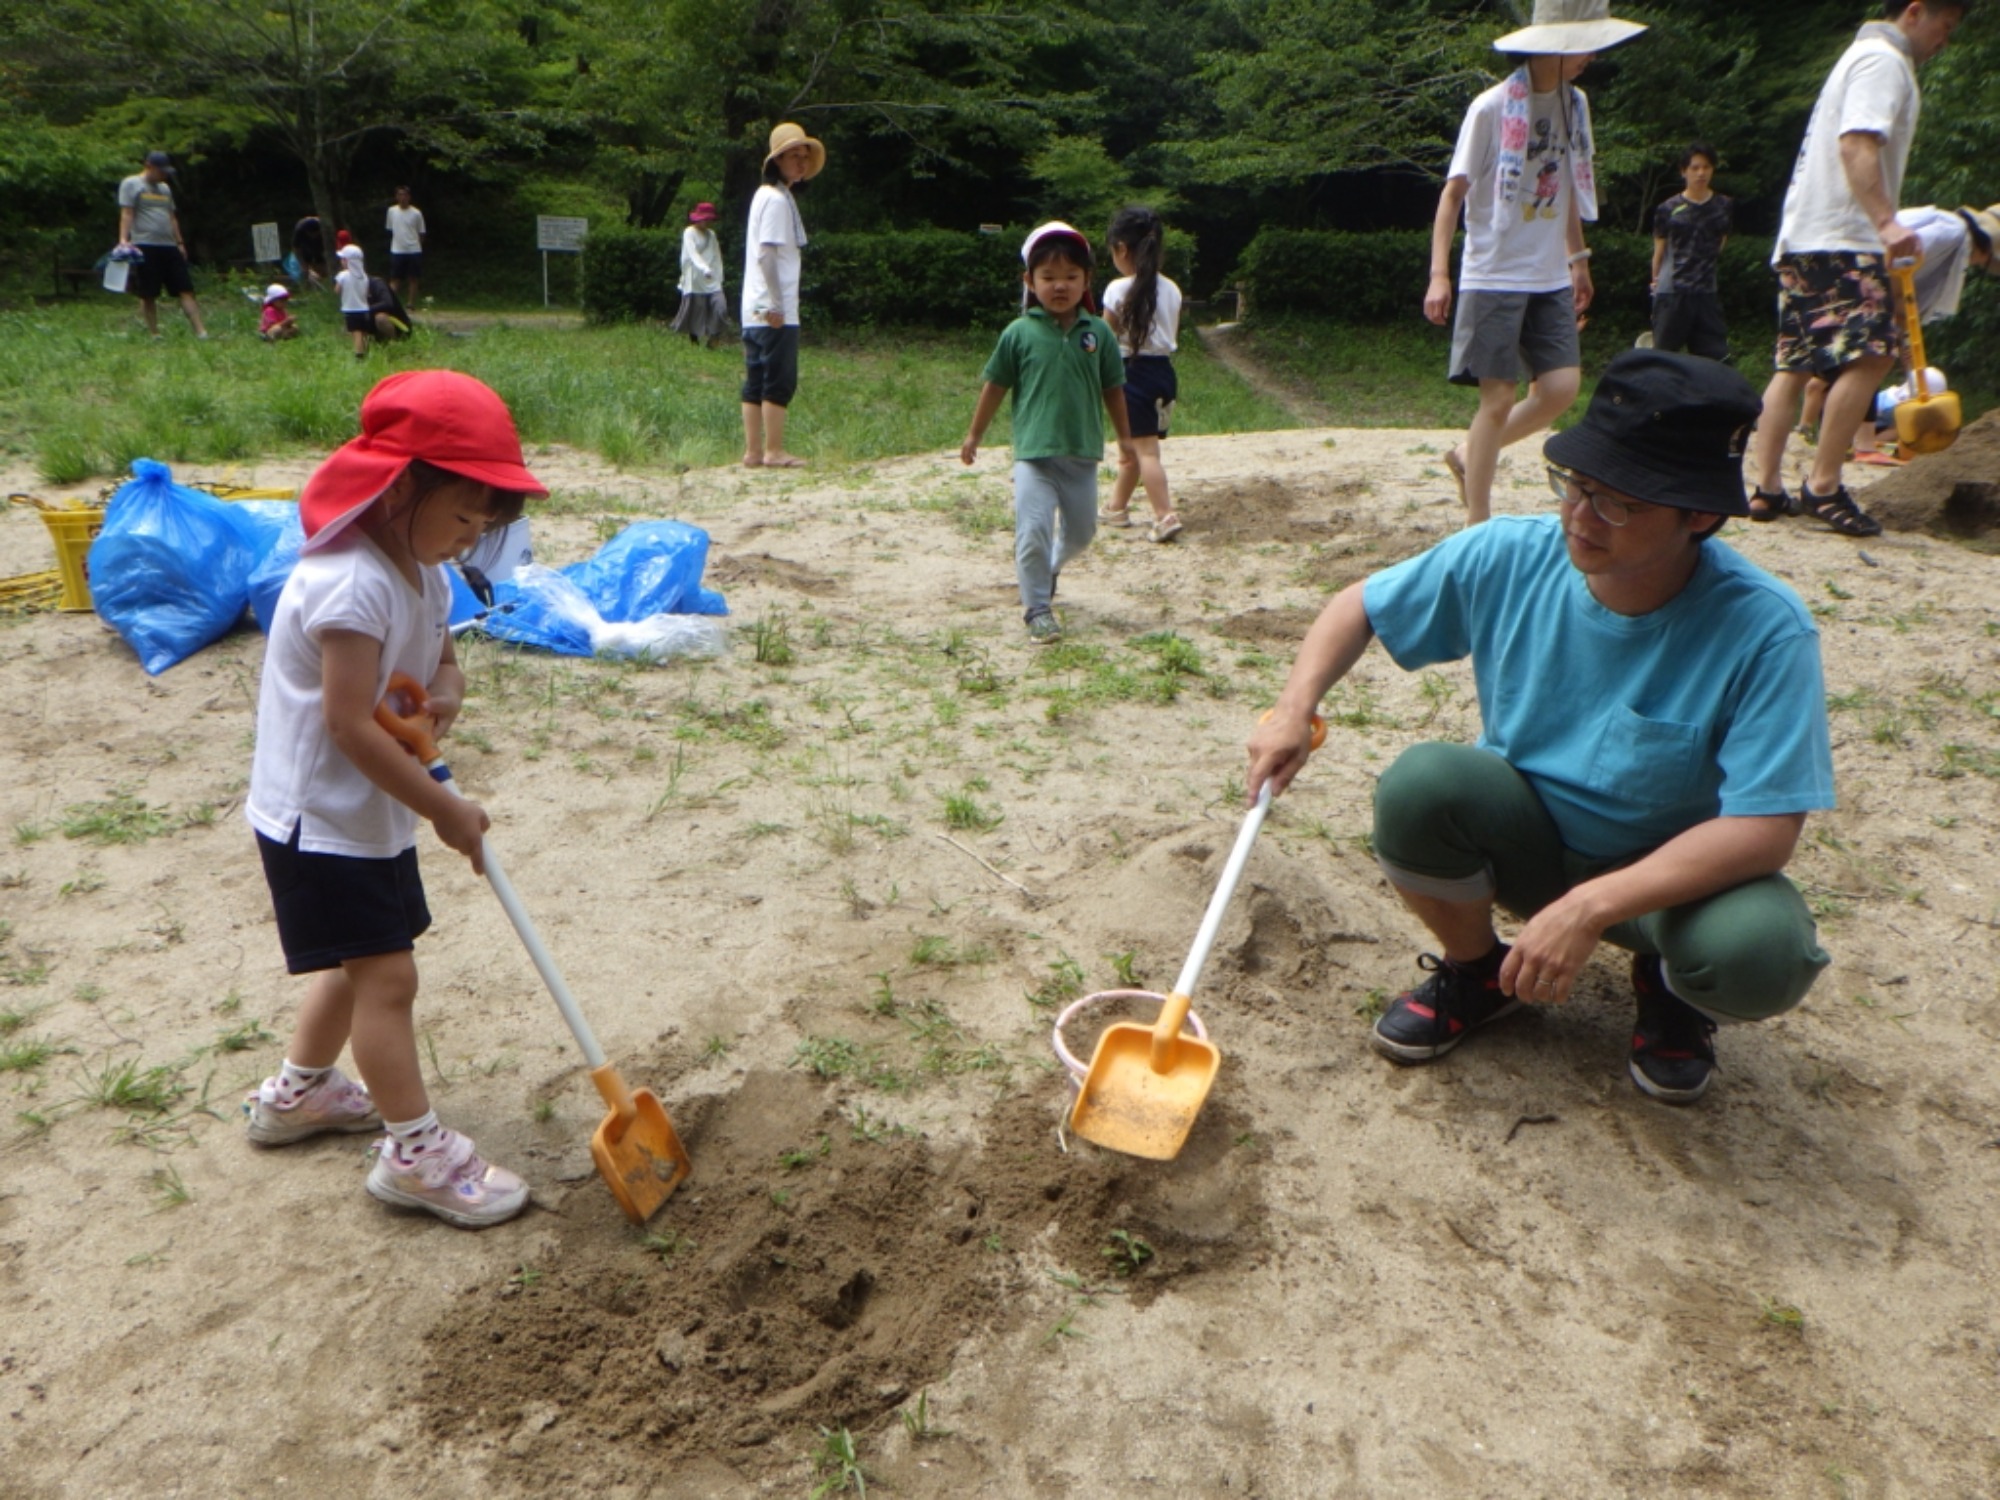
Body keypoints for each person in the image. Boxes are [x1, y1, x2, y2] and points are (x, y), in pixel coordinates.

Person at [1246, 351, 1834, 1105]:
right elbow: (1358, 604)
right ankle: (1480, 973)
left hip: (1669, 886)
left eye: (1619, 502)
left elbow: (1766, 827)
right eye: (1576, 486)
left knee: (1761, 952)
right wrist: (1295, 707)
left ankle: (1669, 991)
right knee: (1421, 787)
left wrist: (1590, 908)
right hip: (1532, 839)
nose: (1582, 518)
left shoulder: (1764, 629)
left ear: (1698, 515)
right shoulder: (1513, 554)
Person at [242, 369, 547, 1228]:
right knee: (387, 977)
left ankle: (297, 1096)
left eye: (483, 528)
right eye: (462, 518)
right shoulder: (349, 582)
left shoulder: (422, 567)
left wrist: (444, 693)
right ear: (402, 483)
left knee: (357, 961)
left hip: (365, 811)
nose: (466, 540)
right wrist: (445, 808)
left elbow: (438, 658)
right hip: (320, 818)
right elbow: (347, 724)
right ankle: (414, 1154)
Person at [1747, 0, 1968, 538]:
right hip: (1843, 236)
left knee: (1794, 363)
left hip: (1803, 234)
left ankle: (1766, 488)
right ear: (1915, 11)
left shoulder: (1857, 55)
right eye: (1946, 24)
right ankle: (1823, 485)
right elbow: (1857, 144)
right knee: (1873, 354)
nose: (1946, 38)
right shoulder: (1882, 61)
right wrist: (1886, 224)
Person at [1424, 0, 1645, 525]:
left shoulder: (1576, 105)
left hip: (1547, 274)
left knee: (1562, 388)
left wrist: (1579, 259)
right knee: (1496, 400)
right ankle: (1478, 522)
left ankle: (1467, 455)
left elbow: (1567, 184)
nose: (1592, 54)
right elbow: (1452, 196)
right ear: (1556, 45)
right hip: (1493, 272)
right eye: (1585, 43)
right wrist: (1439, 274)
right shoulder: (1491, 108)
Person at [960, 222, 1135, 645]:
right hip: (1034, 456)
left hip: (1081, 455)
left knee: (1081, 533)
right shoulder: (1018, 334)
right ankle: (1037, 606)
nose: (1060, 286)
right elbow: (995, 385)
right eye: (1049, 278)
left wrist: (1126, 439)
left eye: (1071, 277)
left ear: (1087, 281)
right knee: (1032, 530)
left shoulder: (1099, 334)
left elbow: (1113, 388)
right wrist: (974, 435)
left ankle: (1052, 568)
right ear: (1029, 281)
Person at [741, 123, 824, 468]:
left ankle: (753, 452)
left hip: (753, 306)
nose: (801, 162)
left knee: (756, 377)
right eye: (793, 155)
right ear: (776, 160)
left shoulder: (766, 195)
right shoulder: (775, 200)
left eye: (804, 156)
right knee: (778, 378)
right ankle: (773, 450)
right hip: (775, 307)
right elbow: (767, 254)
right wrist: (776, 303)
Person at [1100, 206, 1185, 543]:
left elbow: (1105, 338)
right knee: (1135, 447)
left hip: (1131, 374)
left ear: (1122, 249)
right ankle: (1116, 507)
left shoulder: (1117, 290)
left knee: (1145, 451)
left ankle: (1164, 516)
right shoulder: (1173, 289)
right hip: (1163, 373)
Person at [1649, 143, 1734, 359]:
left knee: (1714, 358)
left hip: (1706, 291)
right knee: (1664, 357)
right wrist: (1656, 281)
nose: (1701, 173)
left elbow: (1720, 244)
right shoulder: (1667, 208)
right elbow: (1659, 251)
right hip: (1672, 292)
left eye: (1706, 167)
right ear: (1683, 171)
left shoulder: (1723, 205)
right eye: (1695, 167)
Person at [115, 151, 209, 340]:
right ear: (149, 166)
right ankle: (154, 333)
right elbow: (127, 213)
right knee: (149, 292)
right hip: (145, 244)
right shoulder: (132, 184)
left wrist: (179, 242)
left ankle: (201, 331)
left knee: (185, 288)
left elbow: (172, 217)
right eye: (161, 170)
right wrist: (123, 240)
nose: (164, 175)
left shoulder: (165, 189)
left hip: (169, 245)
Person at [672, 201, 733, 348]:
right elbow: (692, 254)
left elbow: (717, 256)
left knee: (720, 307)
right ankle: (694, 341)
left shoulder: (711, 235)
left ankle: (714, 336)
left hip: (712, 279)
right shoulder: (689, 232)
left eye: (708, 219)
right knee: (696, 310)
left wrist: (719, 276)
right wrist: (704, 268)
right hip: (695, 277)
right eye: (704, 218)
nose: (706, 222)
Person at [385, 186, 427, 306]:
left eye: (405, 195)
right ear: (396, 197)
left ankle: (411, 303)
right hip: (397, 250)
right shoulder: (391, 211)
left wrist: (417, 245)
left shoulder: (416, 213)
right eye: (400, 195)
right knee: (395, 278)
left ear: (409, 197)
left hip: (413, 250)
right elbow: (390, 229)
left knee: (413, 278)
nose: (402, 197)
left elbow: (422, 232)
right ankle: (390, 303)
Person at [335, 243, 374, 357]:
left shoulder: (343, 275)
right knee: (364, 332)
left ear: (348, 261)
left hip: (351, 309)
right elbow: (367, 293)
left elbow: (337, 290)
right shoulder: (364, 276)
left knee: (356, 332)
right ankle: (366, 349)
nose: (341, 261)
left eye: (343, 259)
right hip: (364, 308)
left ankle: (359, 354)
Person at [365, 273, 414, 343]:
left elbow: (387, 303)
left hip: (399, 326)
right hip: (374, 324)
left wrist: (365, 309)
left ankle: (393, 343)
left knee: (380, 318)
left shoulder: (376, 283)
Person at [291, 214, 327, 290]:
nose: (313, 236)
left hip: (320, 246)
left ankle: (324, 283)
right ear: (307, 232)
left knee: (321, 264)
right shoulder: (299, 230)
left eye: (315, 234)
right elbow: (296, 248)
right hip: (305, 248)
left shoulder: (323, 228)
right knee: (306, 268)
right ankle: (308, 287)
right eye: (311, 234)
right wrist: (303, 264)